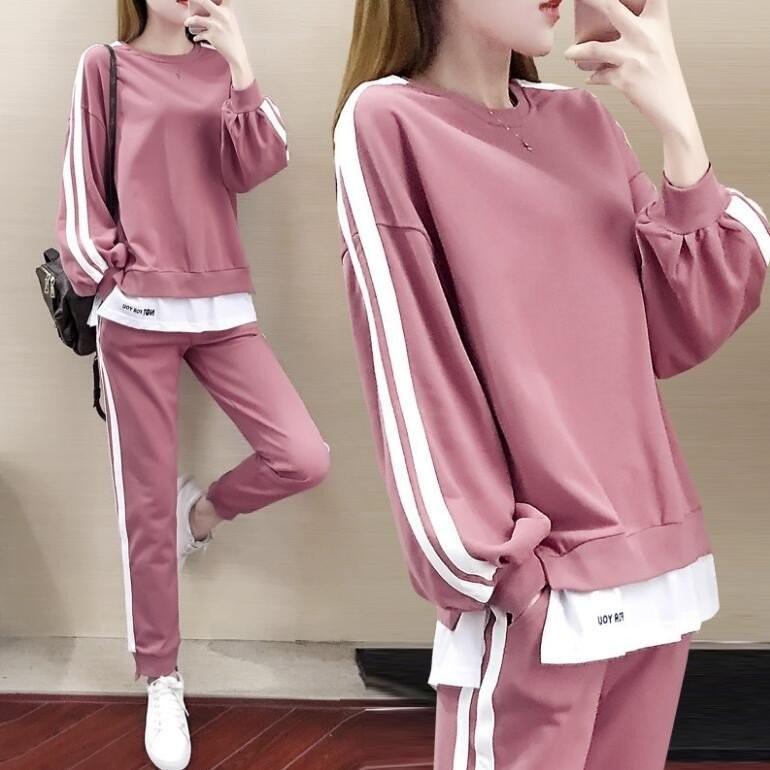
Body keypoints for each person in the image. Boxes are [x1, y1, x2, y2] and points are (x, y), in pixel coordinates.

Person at [332, 0, 769, 767]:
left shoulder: (584, 122)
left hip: (659, 577)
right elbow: (413, 365)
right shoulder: (388, 122)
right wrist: (496, 572)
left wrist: (678, 124)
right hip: (538, 595)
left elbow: (688, 319)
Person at [55, 1, 330, 768]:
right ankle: (162, 677)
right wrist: (110, 279)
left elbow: (261, 162)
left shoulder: (219, 71)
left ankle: (199, 516)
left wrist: (239, 62)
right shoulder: (105, 66)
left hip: (222, 305)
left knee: (302, 455)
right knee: (142, 505)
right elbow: (80, 189)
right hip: (135, 312)